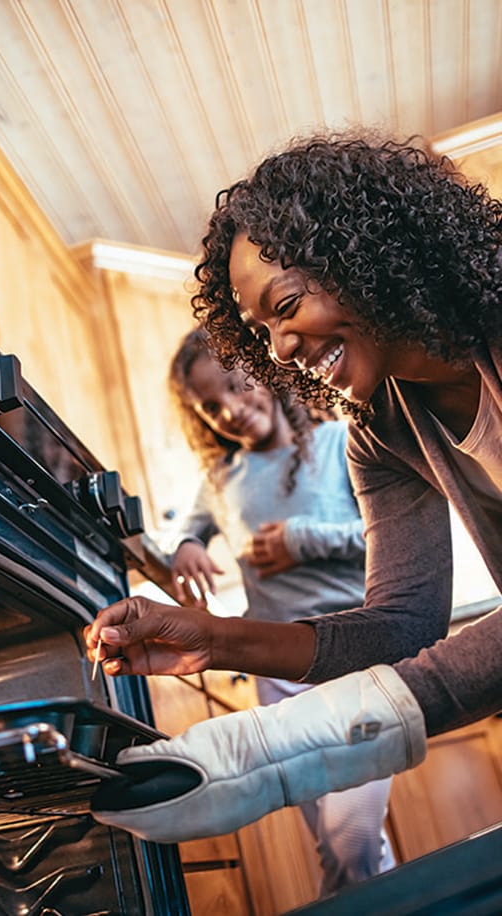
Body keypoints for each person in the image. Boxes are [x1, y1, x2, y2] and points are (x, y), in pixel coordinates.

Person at [84, 130, 502, 846]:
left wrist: (275, 748)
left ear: (364, 259)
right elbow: (403, 625)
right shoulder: (382, 432)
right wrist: (215, 638)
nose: (278, 352)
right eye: (259, 332)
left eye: (284, 307)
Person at [163, 326, 395, 893]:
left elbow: (387, 541)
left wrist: (301, 539)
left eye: (239, 387)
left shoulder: (343, 443)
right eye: (211, 407)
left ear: (264, 371)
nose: (232, 410)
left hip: (359, 664)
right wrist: (188, 545)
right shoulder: (221, 479)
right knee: (340, 849)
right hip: (282, 679)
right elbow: (188, 530)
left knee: (353, 838)